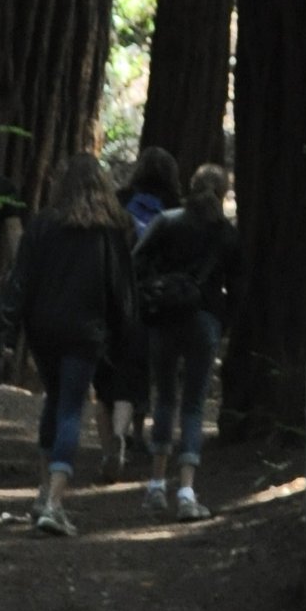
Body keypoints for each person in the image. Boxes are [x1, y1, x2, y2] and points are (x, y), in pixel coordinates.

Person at [0, 150, 139, 535]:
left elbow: (20, 279)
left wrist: (7, 332)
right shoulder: (109, 231)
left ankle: (44, 492)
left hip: (43, 329)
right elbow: (121, 290)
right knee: (71, 407)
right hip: (85, 331)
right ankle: (55, 503)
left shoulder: (43, 224)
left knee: (55, 400)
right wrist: (125, 339)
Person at [138, 162, 241, 522]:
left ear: (191, 186)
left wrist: (153, 293)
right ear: (223, 192)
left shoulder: (166, 221)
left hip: (164, 319)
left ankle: (155, 485)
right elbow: (237, 288)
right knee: (194, 406)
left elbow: (137, 261)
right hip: (204, 320)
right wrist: (222, 323)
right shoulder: (226, 234)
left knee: (165, 398)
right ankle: (186, 492)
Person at [102, 146, 182, 468]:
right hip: (156, 297)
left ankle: (117, 432)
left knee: (119, 361)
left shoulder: (120, 200)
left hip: (119, 291)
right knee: (148, 367)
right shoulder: (175, 207)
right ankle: (138, 431)